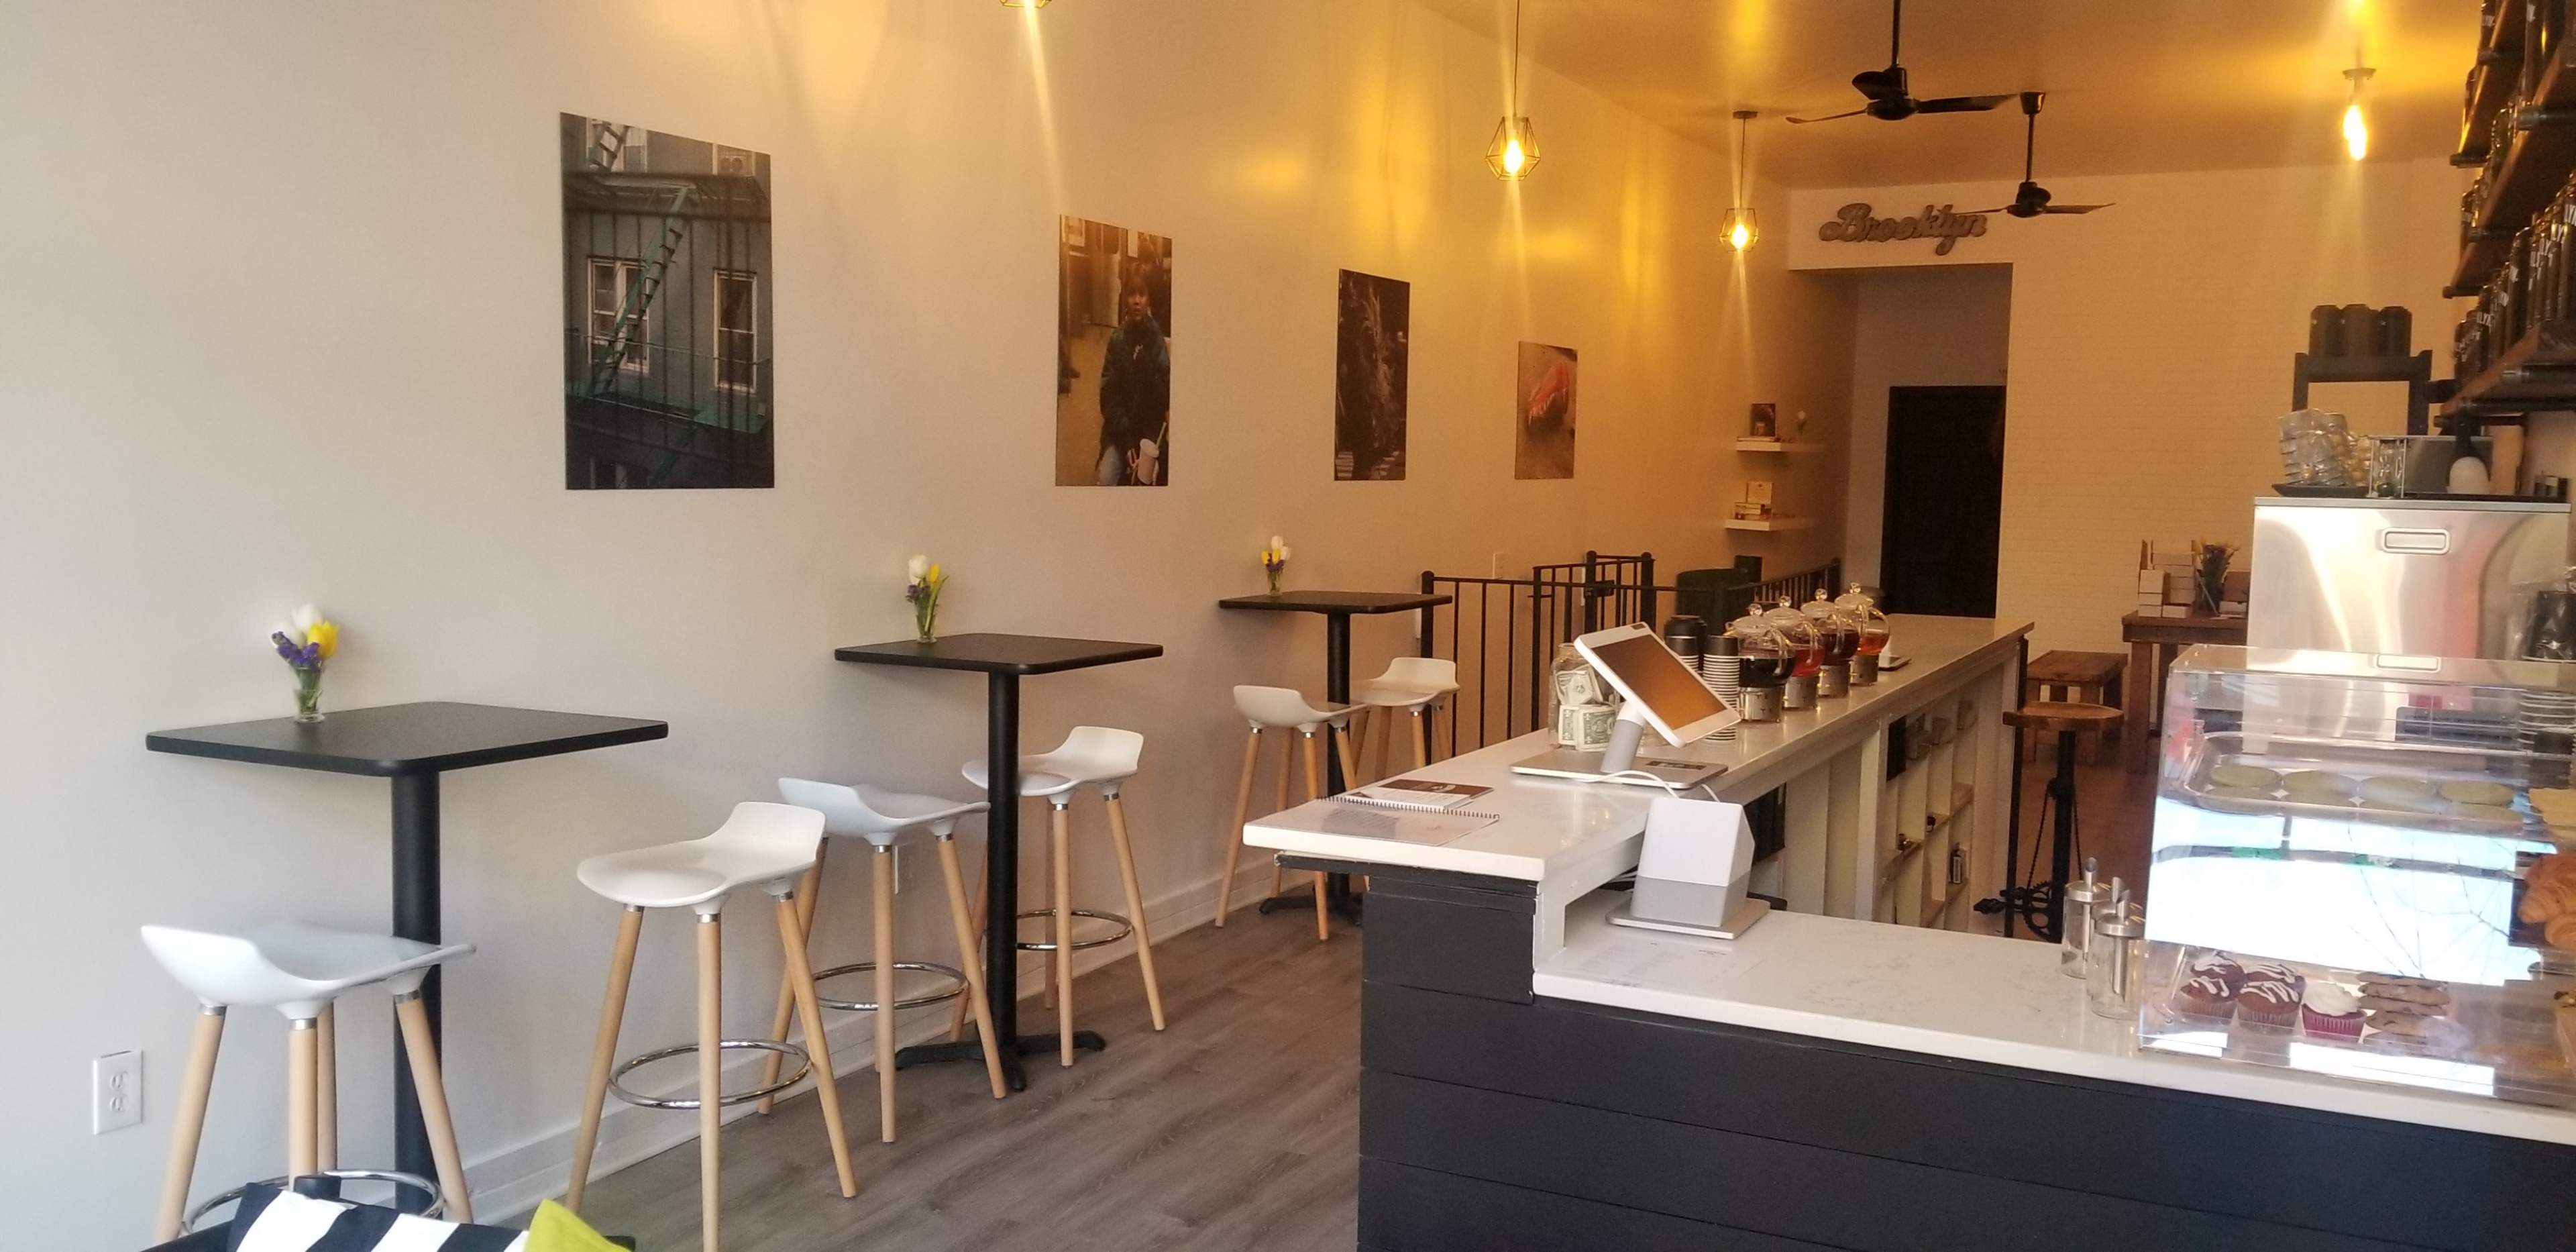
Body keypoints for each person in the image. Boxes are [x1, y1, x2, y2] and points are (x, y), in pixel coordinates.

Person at [1095, 263, 1169, 486]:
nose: (1137, 301)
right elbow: (1108, 397)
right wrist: (1127, 441)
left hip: (1149, 433)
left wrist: (1146, 366)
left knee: (1152, 483)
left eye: (1142, 294)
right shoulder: (1117, 340)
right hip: (1121, 433)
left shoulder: (1156, 340)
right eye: (1131, 295)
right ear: (1125, 300)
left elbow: (1163, 395)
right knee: (1106, 479)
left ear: (1148, 300)